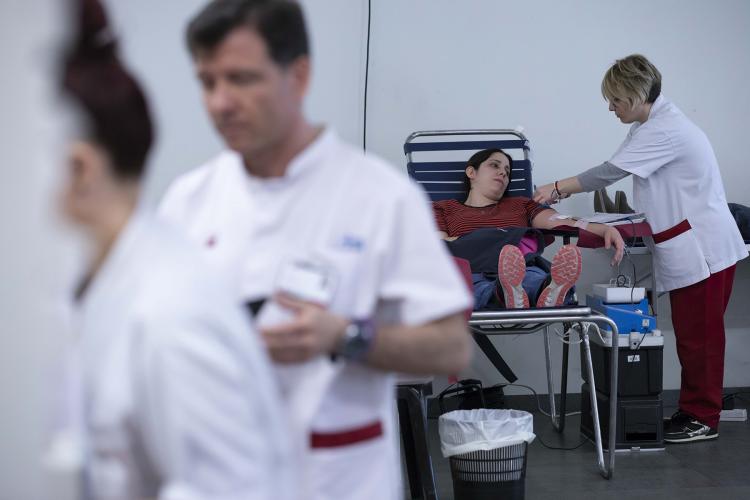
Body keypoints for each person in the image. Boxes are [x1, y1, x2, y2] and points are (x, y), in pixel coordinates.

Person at [157, 1, 472, 499]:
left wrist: (348, 336)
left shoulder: (380, 198)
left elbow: (451, 346)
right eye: (207, 82)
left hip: (336, 478)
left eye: (241, 79)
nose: (220, 102)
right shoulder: (187, 202)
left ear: (298, 76)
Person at [57, 0, 294, 498]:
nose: (222, 103)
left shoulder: (171, 318)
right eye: (208, 82)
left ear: (80, 169)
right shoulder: (112, 285)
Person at [533, 54, 748, 443]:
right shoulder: (648, 125)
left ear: (634, 95)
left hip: (703, 249)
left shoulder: (664, 130)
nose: (610, 107)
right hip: (687, 243)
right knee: (692, 336)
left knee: (700, 338)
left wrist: (556, 188)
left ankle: (702, 417)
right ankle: (695, 411)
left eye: (615, 99)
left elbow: (610, 172)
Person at [433, 148, 625, 309]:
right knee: (470, 284)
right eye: (494, 165)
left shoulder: (521, 204)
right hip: (471, 268)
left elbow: (557, 220)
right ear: (471, 172)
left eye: (507, 171)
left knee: (532, 277)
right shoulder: (443, 208)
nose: (503, 173)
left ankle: (546, 290)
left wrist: (601, 229)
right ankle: (504, 292)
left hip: (519, 265)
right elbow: (437, 245)